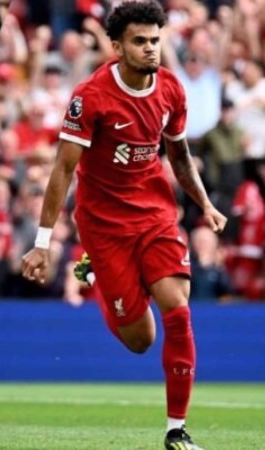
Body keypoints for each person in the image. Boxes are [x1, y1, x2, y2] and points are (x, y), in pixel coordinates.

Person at [20, 2, 226, 450]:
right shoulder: (90, 96)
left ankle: (177, 430)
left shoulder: (170, 89)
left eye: (155, 40)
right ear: (116, 47)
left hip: (155, 214)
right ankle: (97, 273)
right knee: (140, 340)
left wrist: (205, 204)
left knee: (177, 309)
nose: (150, 49)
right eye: (140, 41)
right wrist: (42, 243)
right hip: (104, 225)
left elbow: (179, 156)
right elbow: (61, 170)